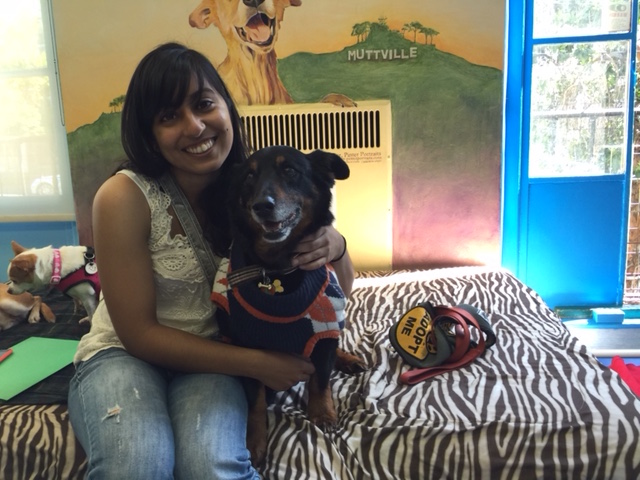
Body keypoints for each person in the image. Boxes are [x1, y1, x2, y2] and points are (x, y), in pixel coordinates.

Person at [68, 42, 354, 480]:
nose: (195, 126)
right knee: (136, 464)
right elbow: (139, 335)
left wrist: (336, 244)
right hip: (124, 357)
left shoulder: (254, 186)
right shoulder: (124, 196)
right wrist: (259, 364)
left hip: (216, 361)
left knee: (212, 467)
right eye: (169, 117)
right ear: (149, 134)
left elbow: (336, 294)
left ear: (226, 107)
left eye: (204, 105)